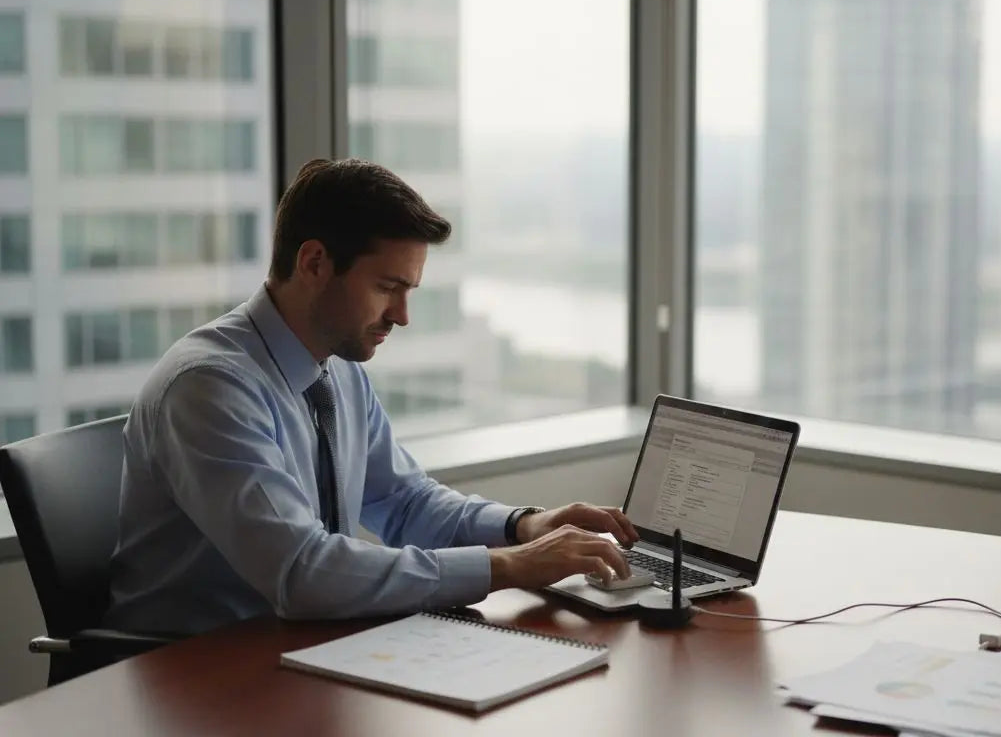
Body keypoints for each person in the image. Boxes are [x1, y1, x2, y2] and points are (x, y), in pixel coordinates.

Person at [105, 158, 636, 636]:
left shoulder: (335, 367)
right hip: (195, 677)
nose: (402, 316)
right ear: (314, 263)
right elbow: (302, 572)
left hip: (305, 648)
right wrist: (512, 565)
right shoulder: (210, 387)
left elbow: (404, 502)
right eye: (387, 288)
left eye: (409, 291)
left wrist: (522, 526)